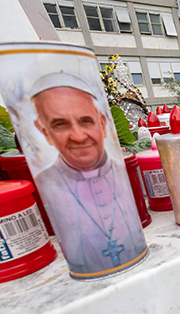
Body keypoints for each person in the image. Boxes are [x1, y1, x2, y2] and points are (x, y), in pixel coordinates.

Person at [32, 72, 147, 277]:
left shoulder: (123, 172)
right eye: (60, 124)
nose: (78, 136)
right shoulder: (44, 184)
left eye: (86, 121)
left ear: (102, 124)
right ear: (44, 131)